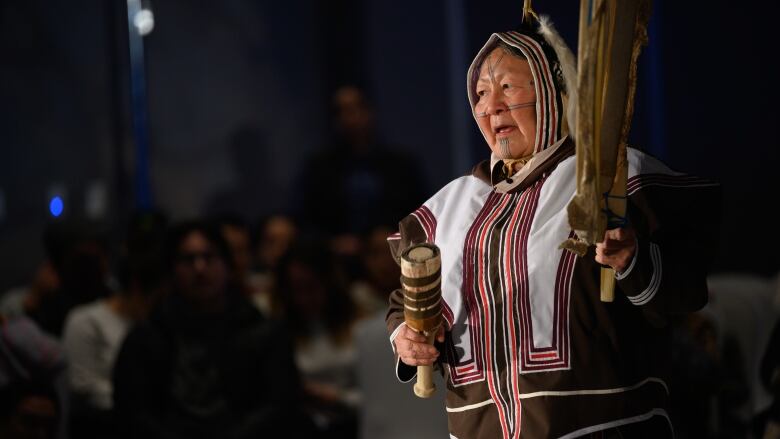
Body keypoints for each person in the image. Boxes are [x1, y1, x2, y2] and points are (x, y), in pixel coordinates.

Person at [386, 15, 721, 438]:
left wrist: (632, 260)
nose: (491, 106)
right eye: (482, 93)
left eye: (507, 87)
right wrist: (406, 336)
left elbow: (684, 292)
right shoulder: (450, 206)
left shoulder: (610, 179)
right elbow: (406, 300)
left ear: (551, 93)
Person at [112, 221, 311, 439]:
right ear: (172, 269)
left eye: (209, 257)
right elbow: (133, 412)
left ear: (227, 265)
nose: (200, 268)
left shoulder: (263, 331)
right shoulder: (147, 336)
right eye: (188, 260)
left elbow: (280, 405)